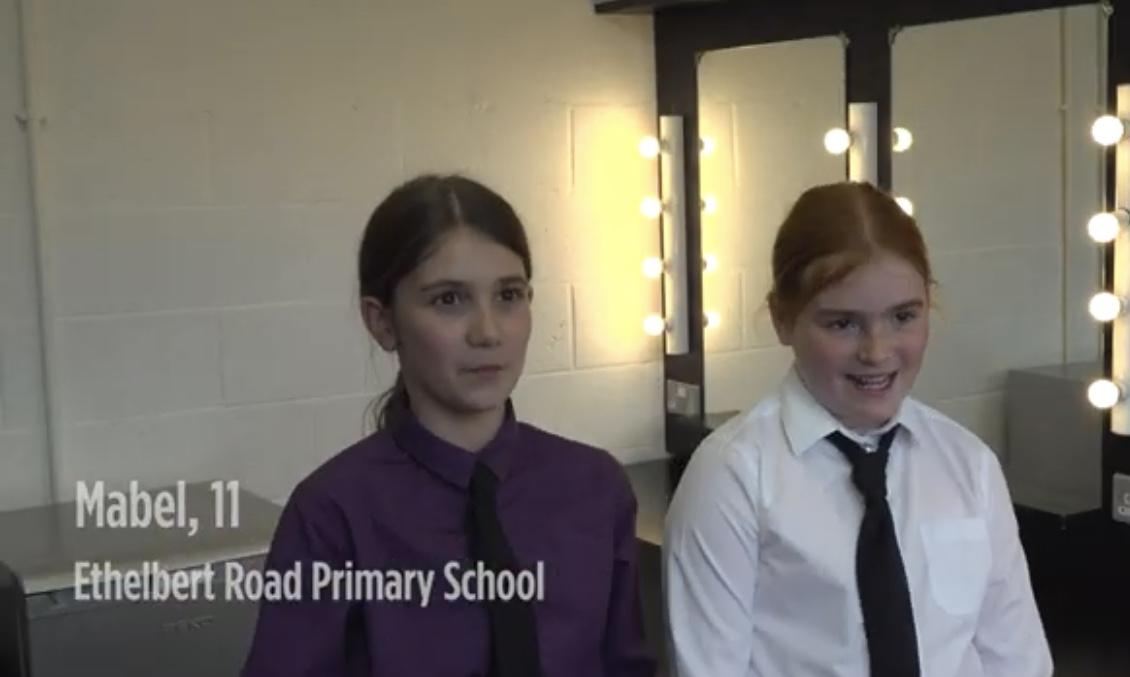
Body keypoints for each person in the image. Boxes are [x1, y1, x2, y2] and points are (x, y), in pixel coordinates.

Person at [242, 174, 656, 676]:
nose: (488, 332)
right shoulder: (332, 514)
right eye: (449, 300)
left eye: (508, 295)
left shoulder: (594, 488)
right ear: (382, 322)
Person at [663, 182, 1052, 676]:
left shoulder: (968, 465)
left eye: (903, 317)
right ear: (782, 318)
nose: (876, 351)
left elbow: (1015, 659)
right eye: (843, 324)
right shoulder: (733, 476)